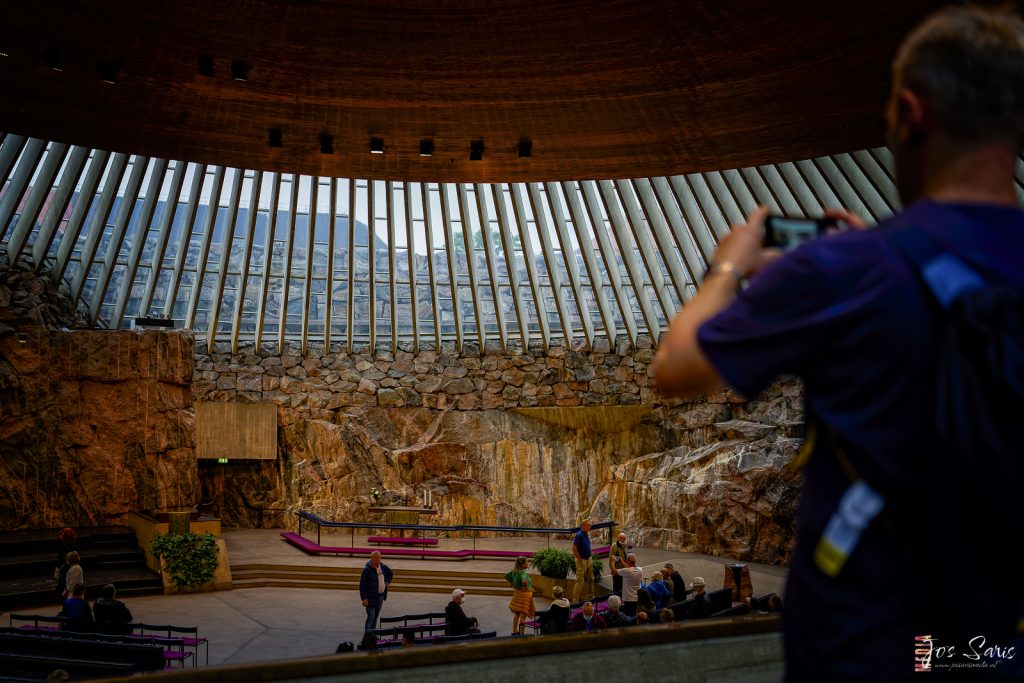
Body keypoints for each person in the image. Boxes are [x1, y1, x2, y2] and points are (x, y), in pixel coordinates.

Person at [652, 5, 1024, 679]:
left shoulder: (844, 268)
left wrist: (728, 267)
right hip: (993, 645)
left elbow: (678, 364)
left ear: (910, 114)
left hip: (869, 644)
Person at [358, 551, 392, 633]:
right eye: (376, 558)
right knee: (371, 617)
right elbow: (362, 585)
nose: (378, 559)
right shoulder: (367, 570)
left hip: (380, 596)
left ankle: (372, 635)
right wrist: (364, 598)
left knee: (375, 617)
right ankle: (367, 637)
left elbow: (390, 573)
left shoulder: (382, 566)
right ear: (372, 559)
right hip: (371, 597)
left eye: (379, 557)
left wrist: (387, 581)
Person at [504, 555, 535, 637]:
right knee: (523, 616)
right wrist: (526, 587)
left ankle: (514, 632)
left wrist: (512, 584)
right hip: (524, 595)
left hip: (517, 594)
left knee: (516, 614)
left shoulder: (514, 571)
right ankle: (521, 635)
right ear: (523, 564)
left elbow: (506, 576)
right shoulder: (523, 572)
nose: (528, 563)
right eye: (527, 562)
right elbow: (524, 581)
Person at [608, 552, 643, 616]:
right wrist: (622, 561)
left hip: (628, 598)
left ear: (627, 561)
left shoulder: (626, 571)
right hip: (637, 597)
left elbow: (614, 570)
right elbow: (630, 567)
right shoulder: (640, 569)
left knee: (629, 616)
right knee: (634, 615)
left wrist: (613, 562)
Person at [570, 519, 594, 602]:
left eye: (590, 525)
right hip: (582, 560)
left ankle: (591, 596)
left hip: (589, 559)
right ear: (583, 525)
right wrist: (580, 559)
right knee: (580, 581)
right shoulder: (579, 535)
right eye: (588, 525)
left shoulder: (586, 533)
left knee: (591, 578)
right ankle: (575, 600)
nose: (589, 527)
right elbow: (574, 548)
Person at [54, 528, 76, 601]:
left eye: (62, 534)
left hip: (66, 569)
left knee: (62, 586)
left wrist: (59, 568)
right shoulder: (63, 544)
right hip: (64, 568)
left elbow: (63, 558)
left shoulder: (69, 547)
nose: (60, 536)